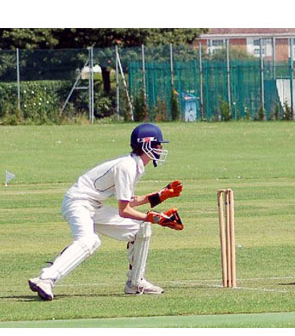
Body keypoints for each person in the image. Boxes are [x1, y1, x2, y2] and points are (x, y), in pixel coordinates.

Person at [28, 123, 184, 301]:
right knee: (89, 240)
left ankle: (135, 283)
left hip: (94, 206)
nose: (161, 148)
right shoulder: (127, 166)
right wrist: (155, 218)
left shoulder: (134, 165)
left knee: (141, 228)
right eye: (158, 144)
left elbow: (129, 201)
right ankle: (46, 278)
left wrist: (160, 196)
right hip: (78, 202)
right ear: (146, 145)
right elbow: (124, 211)